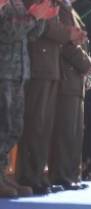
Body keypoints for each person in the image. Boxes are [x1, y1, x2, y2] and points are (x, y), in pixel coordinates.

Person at [16, 0, 80, 194]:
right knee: (35, 124)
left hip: (50, 67)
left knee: (44, 127)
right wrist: (69, 34)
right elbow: (45, 25)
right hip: (38, 66)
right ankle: (28, 176)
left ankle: (37, 175)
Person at [0, 0, 56, 198]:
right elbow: (7, 32)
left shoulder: (17, 4)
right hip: (4, 73)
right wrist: (32, 16)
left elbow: (30, 35)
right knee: (3, 125)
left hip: (19, 73)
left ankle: (4, 174)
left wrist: (39, 19)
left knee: (14, 128)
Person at [49, 0, 91, 189]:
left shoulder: (70, 9)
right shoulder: (57, 7)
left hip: (75, 80)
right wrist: (86, 63)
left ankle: (72, 176)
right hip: (65, 77)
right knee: (64, 131)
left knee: (75, 133)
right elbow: (64, 45)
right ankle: (61, 176)